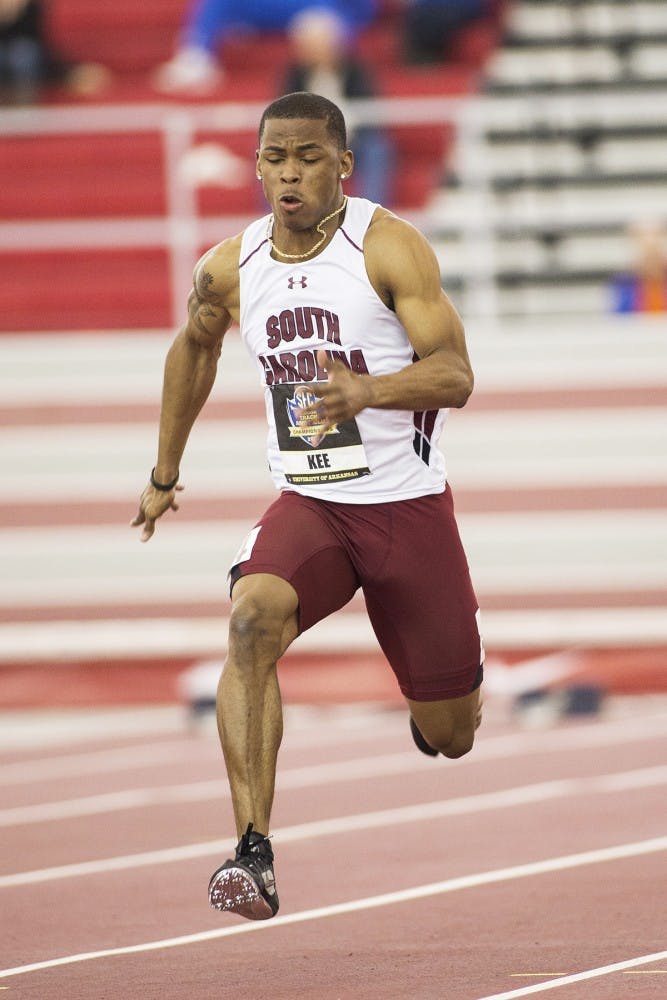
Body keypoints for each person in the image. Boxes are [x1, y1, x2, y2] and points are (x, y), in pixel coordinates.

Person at [132, 91, 484, 921]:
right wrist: (162, 471)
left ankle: (440, 706)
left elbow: (456, 375)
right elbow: (194, 347)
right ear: (257, 166)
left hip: (405, 511)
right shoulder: (230, 264)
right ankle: (252, 851)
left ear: (342, 166)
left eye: (308, 157)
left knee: (449, 736)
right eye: (275, 158)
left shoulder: (387, 248)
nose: (289, 173)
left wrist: (368, 388)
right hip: (311, 505)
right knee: (251, 619)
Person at [282, 8, 394, 205]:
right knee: (272, 153)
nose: (312, 51)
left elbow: (369, 111)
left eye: (318, 45)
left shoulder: (356, 70)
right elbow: (282, 114)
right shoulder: (294, 75)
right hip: (305, 142)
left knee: (377, 149)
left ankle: (371, 218)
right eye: (308, 46)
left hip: (352, 139)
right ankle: (278, 218)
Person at [153, 0, 377, 94]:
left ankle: (332, 85)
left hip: (324, 7)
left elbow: (362, 10)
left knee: (319, 29)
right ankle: (197, 56)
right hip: (283, 7)